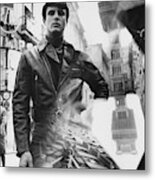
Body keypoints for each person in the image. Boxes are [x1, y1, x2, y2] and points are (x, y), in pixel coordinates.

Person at [13, 2, 118, 169]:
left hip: (75, 141)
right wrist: (23, 149)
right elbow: (20, 105)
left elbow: (101, 88)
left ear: (66, 20)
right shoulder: (30, 58)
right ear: (44, 20)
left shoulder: (79, 58)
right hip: (42, 142)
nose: (56, 17)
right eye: (51, 13)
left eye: (61, 14)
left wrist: (92, 117)